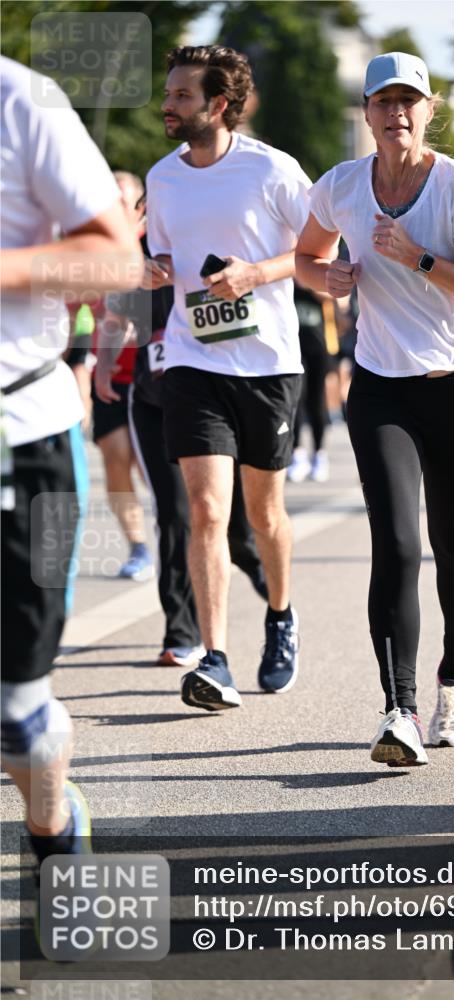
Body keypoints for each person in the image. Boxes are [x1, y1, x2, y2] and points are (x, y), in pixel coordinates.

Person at [296, 52, 454, 766]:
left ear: (429, 108)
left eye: (408, 102)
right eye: (382, 102)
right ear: (366, 112)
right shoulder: (340, 186)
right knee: (393, 545)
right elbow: (304, 257)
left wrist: (418, 256)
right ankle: (399, 710)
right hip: (381, 385)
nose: (396, 115)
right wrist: (324, 277)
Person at [1, 57, 141, 867]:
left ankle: (55, 828)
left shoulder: (24, 102)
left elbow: (116, 259)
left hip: (22, 434)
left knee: (17, 708)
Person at [144, 45, 310, 708]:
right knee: (207, 509)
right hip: (192, 358)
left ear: (217, 105)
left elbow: (320, 249)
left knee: (264, 514)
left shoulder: (271, 170)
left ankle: (280, 617)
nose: (169, 104)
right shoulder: (162, 177)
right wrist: (156, 268)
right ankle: (214, 658)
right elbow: (161, 251)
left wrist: (254, 272)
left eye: (183, 95)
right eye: (169, 92)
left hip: (267, 363)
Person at [96, 192, 268, 669]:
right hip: (152, 399)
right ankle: (182, 631)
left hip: (213, 400)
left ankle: (255, 562)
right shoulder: (136, 257)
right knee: (175, 513)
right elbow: (115, 317)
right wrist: (105, 365)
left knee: (226, 516)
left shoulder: (211, 251)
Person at [85, 171, 154, 582]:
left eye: (121, 202)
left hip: (152, 372)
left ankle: (175, 532)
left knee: (150, 467)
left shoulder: (155, 246)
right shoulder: (94, 251)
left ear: (139, 209)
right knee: (115, 461)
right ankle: (138, 546)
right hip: (108, 375)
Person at [287, 284, 332, 483]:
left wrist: (306, 279)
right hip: (292, 346)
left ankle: (319, 454)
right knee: (295, 400)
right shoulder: (283, 267)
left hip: (318, 344)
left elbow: (333, 297)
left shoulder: (313, 264)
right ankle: (298, 453)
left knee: (317, 402)